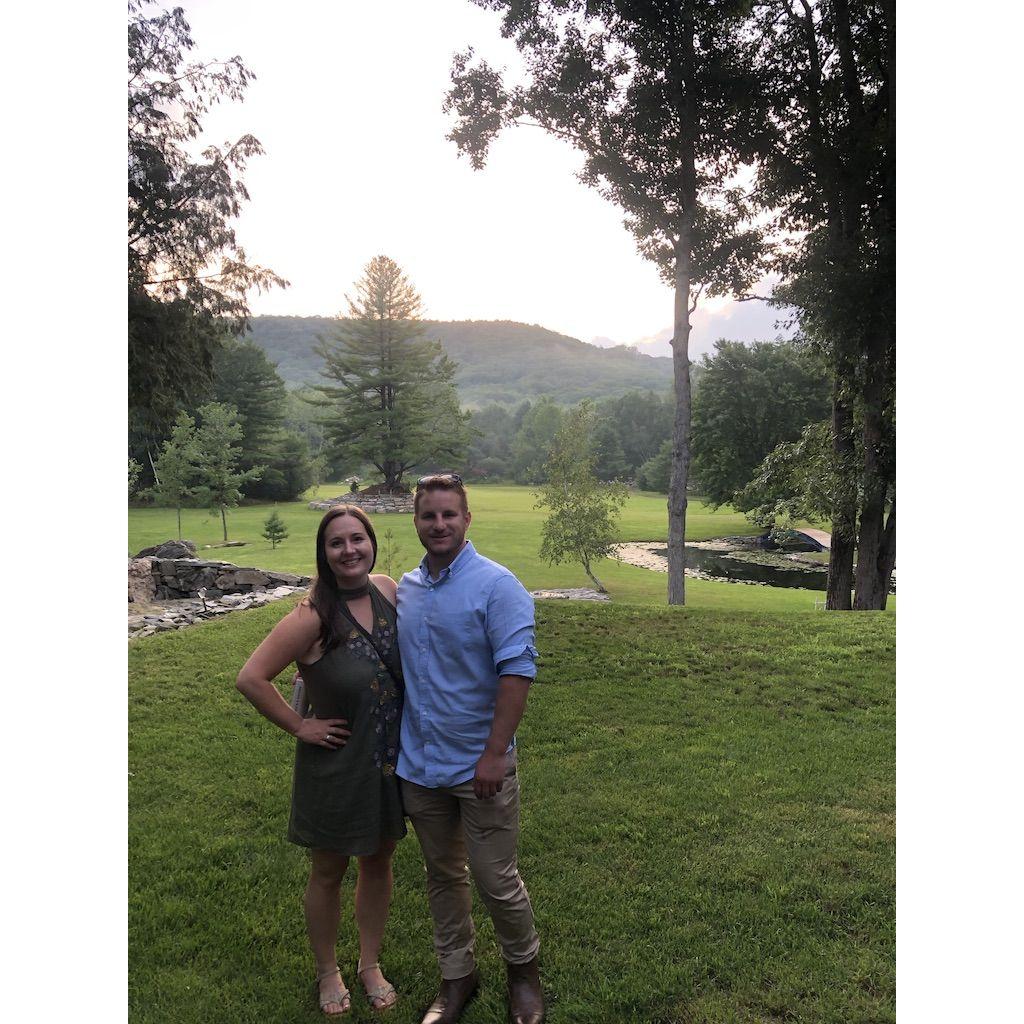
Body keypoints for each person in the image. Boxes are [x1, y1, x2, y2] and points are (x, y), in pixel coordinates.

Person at [236, 505, 404, 1016]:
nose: (349, 550)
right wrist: (299, 724)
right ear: (323, 553)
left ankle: (370, 963)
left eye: (358, 539)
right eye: (337, 542)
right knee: (329, 870)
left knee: (378, 861)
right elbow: (251, 677)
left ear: (371, 543)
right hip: (335, 767)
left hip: (387, 764)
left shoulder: (388, 589)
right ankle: (328, 971)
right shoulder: (310, 616)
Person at [397, 473, 545, 1024]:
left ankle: (524, 974)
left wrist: (494, 754)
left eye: (449, 514)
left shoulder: (497, 586)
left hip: (480, 765)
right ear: (416, 521)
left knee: (496, 879)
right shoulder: (406, 589)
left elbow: (517, 672)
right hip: (419, 766)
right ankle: (457, 976)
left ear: (466, 519)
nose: (439, 524)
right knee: (442, 877)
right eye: (428, 515)